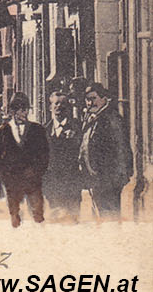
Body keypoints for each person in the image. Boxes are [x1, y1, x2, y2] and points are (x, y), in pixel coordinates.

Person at [0, 92, 50, 228]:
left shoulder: (38, 130)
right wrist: (3, 175)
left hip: (33, 181)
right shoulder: (2, 131)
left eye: (26, 109)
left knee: (38, 216)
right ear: (12, 111)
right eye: (20, 110)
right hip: (12, 183)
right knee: (15, 218)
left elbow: (45, 156)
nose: (24, 113)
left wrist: (36, 171)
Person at [78, 82, 133, 220]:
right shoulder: (93, 117)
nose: (90, 103)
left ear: (104, 99)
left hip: (108, 182)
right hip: (95, 181)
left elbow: (121, 150)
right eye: (88, 99)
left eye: (94, 98)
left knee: (109, 219)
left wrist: (116, 181)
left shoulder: (111, 119)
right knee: (100, 218)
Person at [43, 92, 81, 221]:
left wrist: (75, 138)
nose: (59, 107)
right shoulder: (43, 131)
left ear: (68, 107)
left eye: (63, 104)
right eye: (56, 103)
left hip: (71, 188)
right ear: (50, 107)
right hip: (51, 189)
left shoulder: (77, 128)